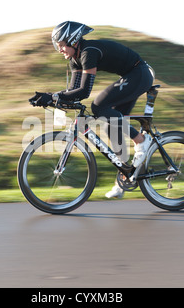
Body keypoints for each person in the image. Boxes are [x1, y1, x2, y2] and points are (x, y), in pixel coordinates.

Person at [30, 21, 155, 199]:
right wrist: (51, 99)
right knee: (110, 126)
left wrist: (53, 96)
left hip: (139, 74)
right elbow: (74, 94)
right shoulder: (75, 60)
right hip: (130, 76)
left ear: (72, 41)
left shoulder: (89, 52)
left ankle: (142, 141)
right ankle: (126, 175)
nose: (59, 50)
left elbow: (84, 91)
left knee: (98, 107)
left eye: (61, 45)